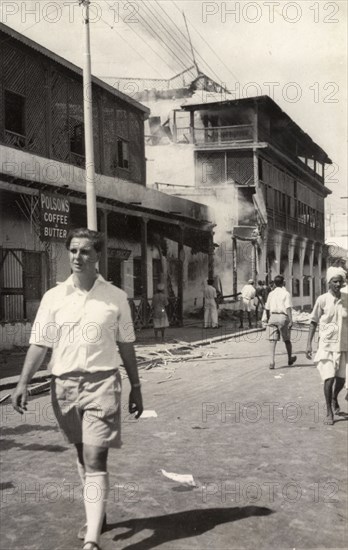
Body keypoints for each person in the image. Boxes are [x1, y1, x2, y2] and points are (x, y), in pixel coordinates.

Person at [12, 228, 143, 550]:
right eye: (73, 251)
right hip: (64, 387)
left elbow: (126, 345)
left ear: (98, 256)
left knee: (95, 456)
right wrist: (23, 382)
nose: (77, 257)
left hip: (103, 385)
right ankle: (97, 512)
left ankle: (92, 540)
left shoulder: (115, 298)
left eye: (85, 251)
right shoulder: (53, 297)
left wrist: (136, 386)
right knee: (83, 457)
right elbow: (40, 342)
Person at [306, 266, 347, 425]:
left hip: (343, 345)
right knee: (329, 378)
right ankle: (329, 410)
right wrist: (308, 344)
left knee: (341, 380)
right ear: (329, 283)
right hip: (326, 345)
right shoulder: (322, 299)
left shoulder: (347, 299)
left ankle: (334, 397)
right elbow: (313, 321)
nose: (338, 284)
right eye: (335, 282)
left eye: (340, 282)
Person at [265, 274, 296, 369]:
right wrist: (291, 320)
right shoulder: (286, 293)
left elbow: (267, 308)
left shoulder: (271, 293)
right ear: (283, 283)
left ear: (274, 283)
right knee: (287, 340)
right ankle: (290, 358)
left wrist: (268, 319)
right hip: (283, 317)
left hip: (272, 317)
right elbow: (288, 308)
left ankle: (271, 361)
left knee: (272, 341)